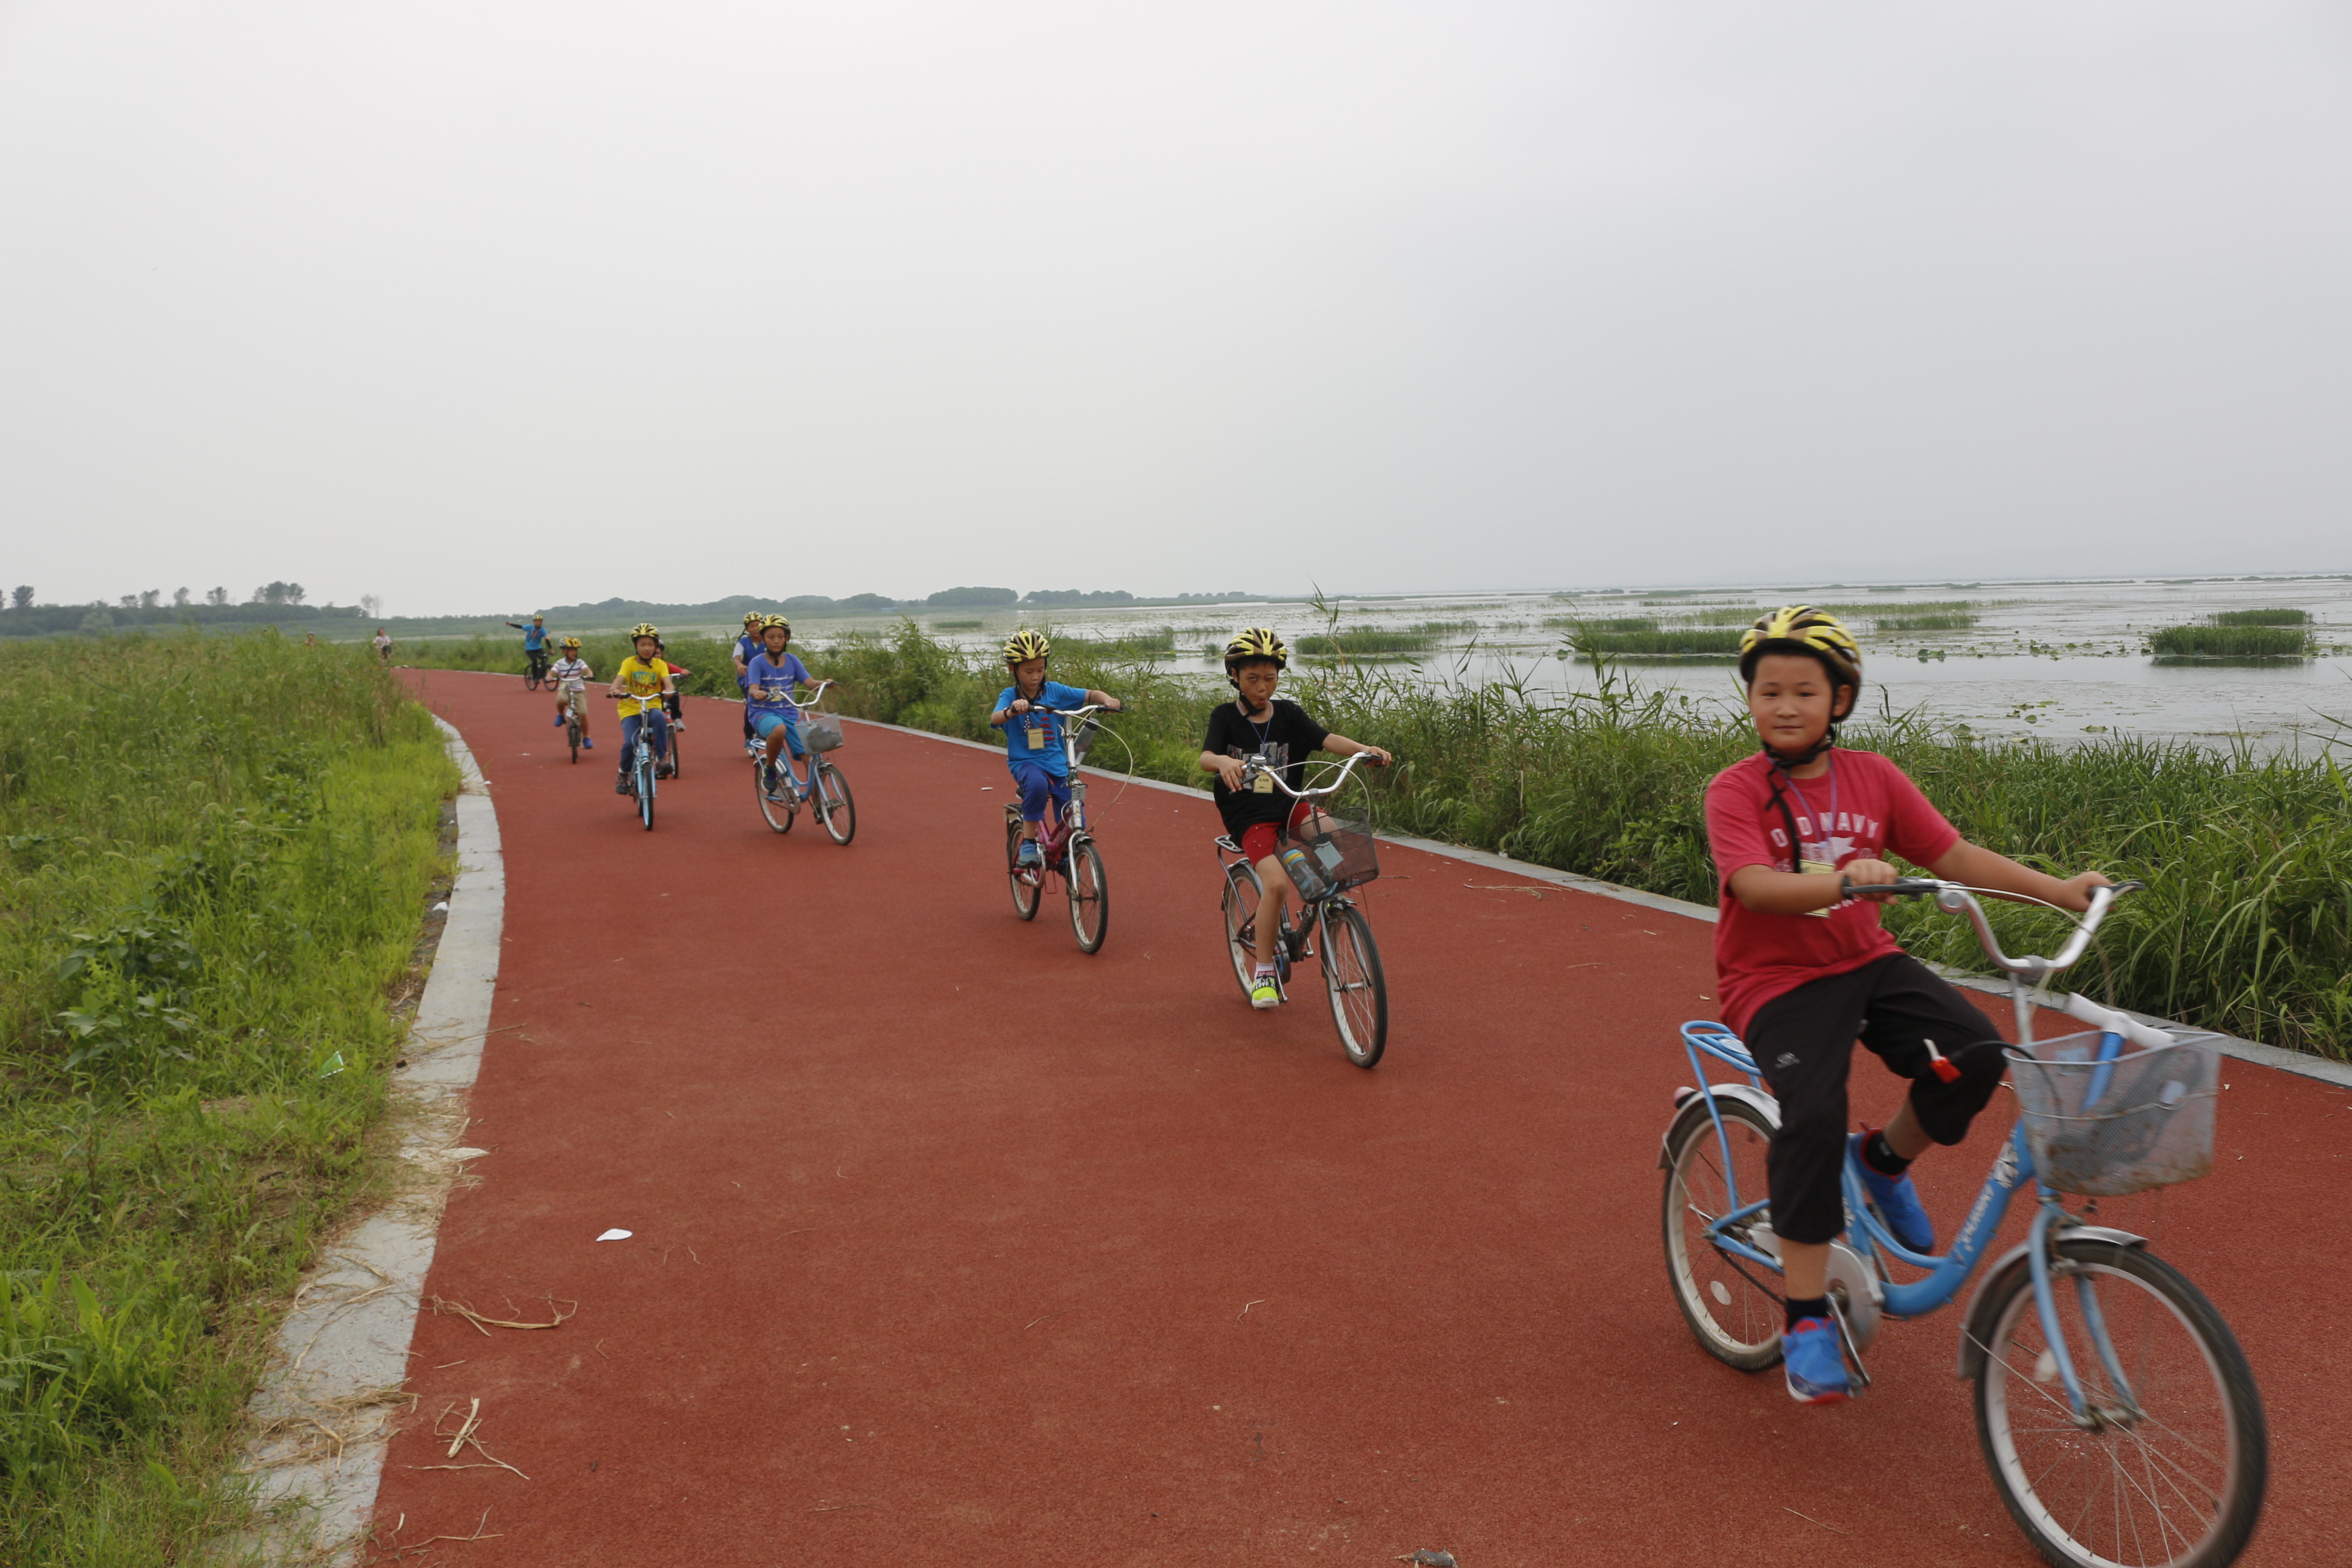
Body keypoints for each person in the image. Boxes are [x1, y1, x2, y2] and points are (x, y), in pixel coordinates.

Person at [1705, 606, 2111, 1405]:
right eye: (1768, 691)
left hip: (1867, 961)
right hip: (1774, 980)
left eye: (1804, 692)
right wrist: (1843, 880)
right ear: (1750, 700)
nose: (1784, 707)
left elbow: (1951, 854)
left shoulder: (1875, 777)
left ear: (1840, 700)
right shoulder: (1735, 790)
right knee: (1813, 1112)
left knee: (1978, 1052)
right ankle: (1806, 1317)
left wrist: (2058, 891)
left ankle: (1882, 1161)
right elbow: (1751, 885)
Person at [1196, 629, 1390, 1009]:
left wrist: (1363, 749)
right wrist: (1222, 761)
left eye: (1270, 678)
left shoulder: (1289, 713)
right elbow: (1206, 757)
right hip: (1250, 816)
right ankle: (1264, 971)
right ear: (1234, 676)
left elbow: (1326, 738)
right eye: (1253, 678)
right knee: (1276, 884)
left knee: (1332, 834)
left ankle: (1325, 893)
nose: (1262, 687)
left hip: (1291, 804)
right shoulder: (1225, 717)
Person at [986, 632, 1122, 872]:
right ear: (1013, 669)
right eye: (1029, 671)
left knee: (1072, 801)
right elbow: (995, 718)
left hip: (1057, 762)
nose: (1036, 676)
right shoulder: (1010, 696)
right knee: (1037, 784)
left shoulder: (1055, 692)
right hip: (1026, 762)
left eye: (1040, 669)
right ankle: (1029, 843)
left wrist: (1108, 700)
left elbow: (1090, 695)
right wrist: (1012, 711)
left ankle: (1067, 852)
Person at [745, 616, 815, 796]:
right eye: (771, 637)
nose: (776, 641)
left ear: (787, 638)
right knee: (779, 729)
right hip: (763, 713)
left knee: (810, 753)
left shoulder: (792, 660)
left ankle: (819, 801)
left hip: (790, 712)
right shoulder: (757, 662)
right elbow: (753, 688)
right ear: (763, 639)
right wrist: (757, 693)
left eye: (780, 637)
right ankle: (770, 768)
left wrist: (823, 683)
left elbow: (809, 682)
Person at [606, 625, 677, 793]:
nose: (647, 648)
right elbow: (620, 678)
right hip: (630, 709)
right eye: (642, 644)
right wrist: (614, 689)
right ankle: (623, 773)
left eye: (650, 645)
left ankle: (660, 758)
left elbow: (668, 682)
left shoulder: (660, 664)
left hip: (651, 706)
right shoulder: (629, 663)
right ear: (635, 646)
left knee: (659, 718)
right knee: (631, 743)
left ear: (656, 646)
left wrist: (669, 690)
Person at [547, 636, 595, 748]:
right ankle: (561, 715)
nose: (574, 653)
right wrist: (549, 677)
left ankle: (586, 737)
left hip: (578, 688)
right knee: (560, 700)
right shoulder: (560, 663)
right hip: (565, 685)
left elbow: (587, 669)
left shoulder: (579, 662)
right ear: (564, 651)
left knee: (583, 714)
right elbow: (552, 672)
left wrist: (589, 674)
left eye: (575, 650)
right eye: (571, 650)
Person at [731, 612, 766, 747]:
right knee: (752, 703)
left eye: (758, 625)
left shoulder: (767, 640)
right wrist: (740, 666)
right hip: (747, 678)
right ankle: (749, 736)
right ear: (747, 629)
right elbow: (736, 657)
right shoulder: (743, 642)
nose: (755, 629)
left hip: (766, 677)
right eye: (752, 626)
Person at [507, 615, 555, 682]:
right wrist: (511, 624)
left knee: (545, 659)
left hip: (538, 648)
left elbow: (547, 640)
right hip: (530, 649)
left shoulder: (543, 630)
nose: (538, 623)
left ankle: (542, 674)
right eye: (537, 621)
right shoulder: (530, 627)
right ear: (534, 622)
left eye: (540, 621)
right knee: (535, 661)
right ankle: (535, 677)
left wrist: (551, 649)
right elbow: (520, 627)